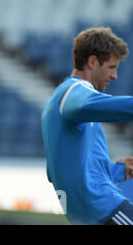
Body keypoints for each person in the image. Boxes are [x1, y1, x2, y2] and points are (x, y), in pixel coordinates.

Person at [41, 27, 133, 225]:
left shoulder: (58, 103)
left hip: (92, 214)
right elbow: (85, 104)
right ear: (92, 62)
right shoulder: (74, 92)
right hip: (104, 209)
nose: (115, 75)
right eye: (111, 66)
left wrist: (118, 171)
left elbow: (58, 171)